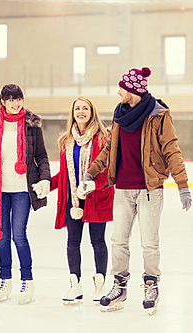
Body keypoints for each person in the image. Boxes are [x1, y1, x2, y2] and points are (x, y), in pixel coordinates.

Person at [78, 67, 192, 315]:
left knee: (149, 243)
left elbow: (172, 149)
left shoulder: (159, 115)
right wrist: (92, 171)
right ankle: (119, 285)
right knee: (118, 240)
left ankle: (151, 285)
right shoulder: (120, 115)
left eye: (122, 88)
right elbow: (109, 149)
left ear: (132, 91)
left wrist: (182, 185)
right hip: (123, 188)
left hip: (149, 189)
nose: (118, 91)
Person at [0, 84, 51, 305]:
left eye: (18, 98)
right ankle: (5, 280)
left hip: (22, 190)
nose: (15, 103)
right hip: (0, 190)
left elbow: (41, 156)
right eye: (10, 99)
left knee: (19, 235)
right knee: (2, 237)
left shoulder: (32, 124)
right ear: (2, 101)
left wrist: (45, 179)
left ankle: (27, 281)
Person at [50, 97, 114, 305]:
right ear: (73, 113)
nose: (81, 111)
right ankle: (75, 284)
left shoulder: (103, 138)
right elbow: (64, 175)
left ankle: (100, 284)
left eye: (85, 108)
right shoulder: (66, 141)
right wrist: (47, 185)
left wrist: (96, 184)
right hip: (73, 199)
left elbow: (110, 170)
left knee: (97, 241)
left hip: (96, 197)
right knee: (72, 242)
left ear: (92, 111)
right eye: (77, 108)